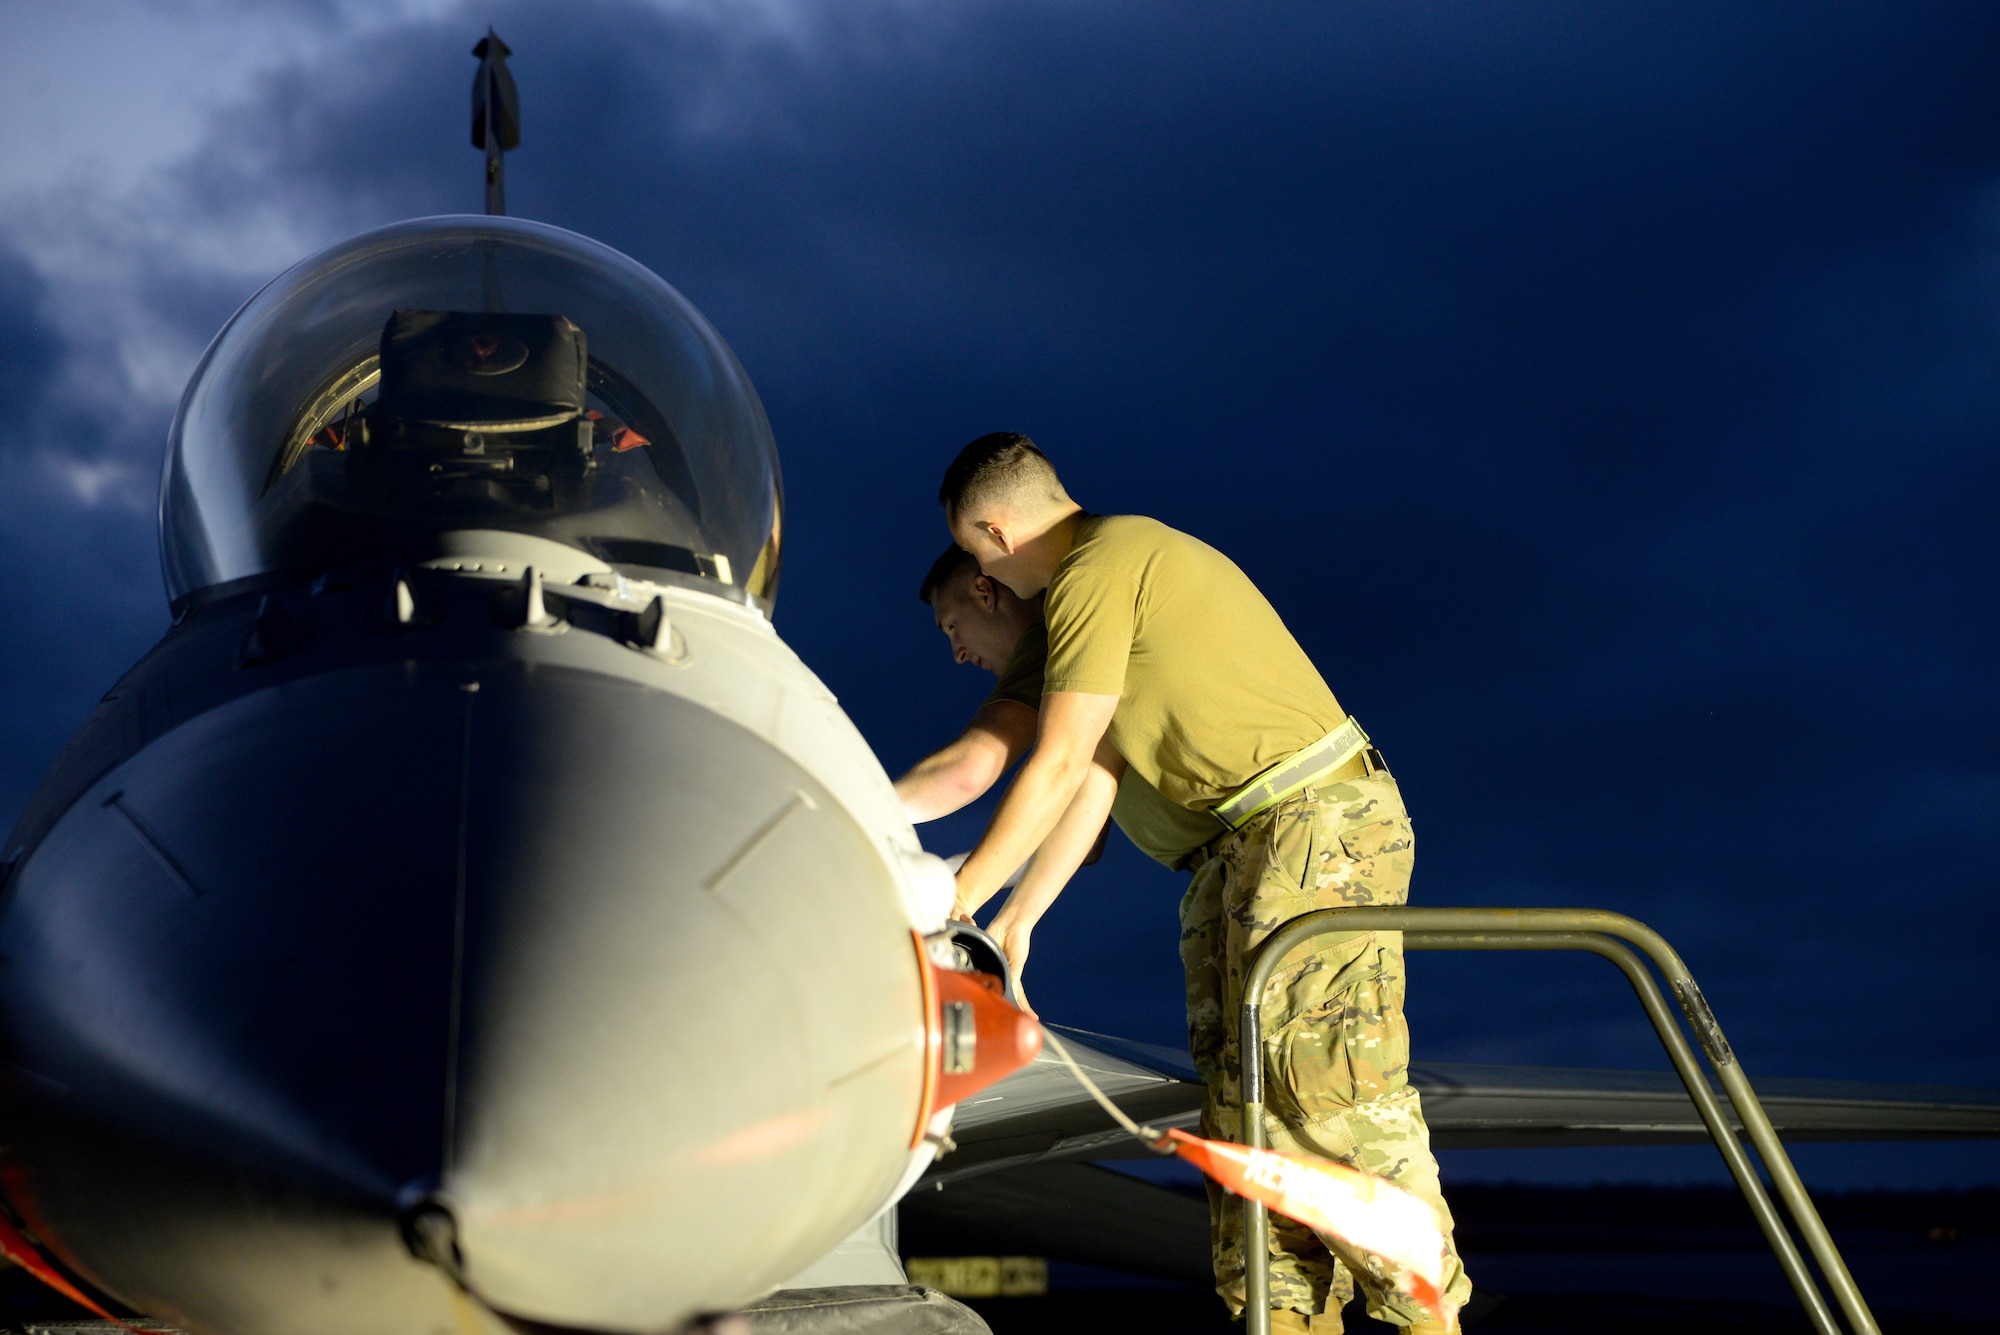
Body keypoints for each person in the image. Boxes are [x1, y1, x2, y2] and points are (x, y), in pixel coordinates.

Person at [937, 433, 1472, 1335]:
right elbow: (1094, 777)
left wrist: (960, 900)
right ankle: (1288, 1321)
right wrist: (1016, 916)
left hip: (1308, 824)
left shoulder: (1104, 564)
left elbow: (1062, 758)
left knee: (1324, 1094)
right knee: (1244, 1113)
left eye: (977, 556)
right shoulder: (1086, 598)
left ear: (992, 531)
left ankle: (1428, 1319)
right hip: (1235, 854)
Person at [893, 546, 1216, 1007]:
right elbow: (1084, 820)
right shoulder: (1086, 672)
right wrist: (993, 910)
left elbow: (969, 769)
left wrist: (855, 809)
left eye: (951, 627)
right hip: (1232, 867)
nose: (958, 654)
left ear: (984, 592)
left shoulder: (1054, 642)